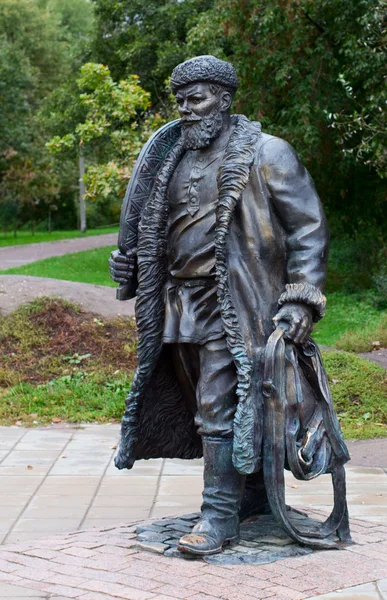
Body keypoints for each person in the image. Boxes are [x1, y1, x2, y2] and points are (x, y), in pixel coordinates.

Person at [109, 55, 349, 556]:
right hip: (177, 301)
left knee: (217, 407)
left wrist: (302, 299)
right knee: (205, 399)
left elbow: (308, 229)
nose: (186, 110)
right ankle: (252, 495)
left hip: (237, 301)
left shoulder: (267, 153)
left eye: (196, 99)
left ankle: (219, 517)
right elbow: (152, 227)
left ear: (224, 99)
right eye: (181, 101)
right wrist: (131, 266)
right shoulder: (171, 155)